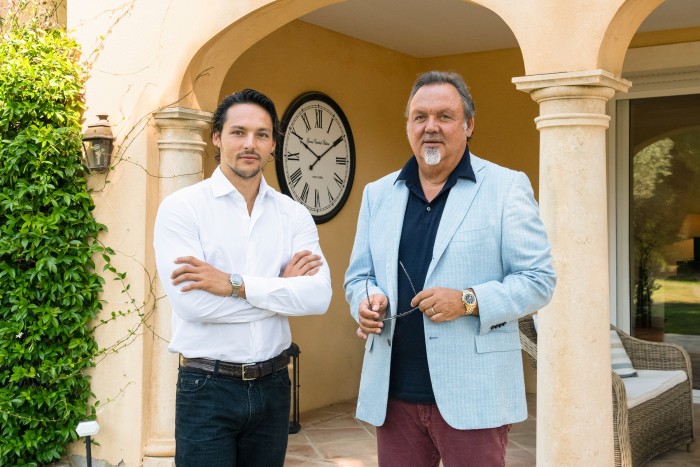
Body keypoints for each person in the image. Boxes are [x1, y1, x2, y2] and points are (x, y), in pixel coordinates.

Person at [344, 71, 556, 467]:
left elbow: (539, 281)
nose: (431, 127)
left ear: (468, 125)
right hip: (393, 394)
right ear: (408, 125)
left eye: (444, 116)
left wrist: (469, 300)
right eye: (420, 117)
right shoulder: (377, 194)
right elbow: (359, 276)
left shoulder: (507, 188)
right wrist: (365, 300)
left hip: (475, 393)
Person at [153, 88, 332, 467]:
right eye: (238, 132)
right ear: (217, 138)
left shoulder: (293, 215)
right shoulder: (183, 209)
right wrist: (280, 292)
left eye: (262, 134)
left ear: (272, 145)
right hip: (207, 388)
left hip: (273, 386)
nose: (250, 144)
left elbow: (318, 297)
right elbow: (192, 305)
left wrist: (234, 285)